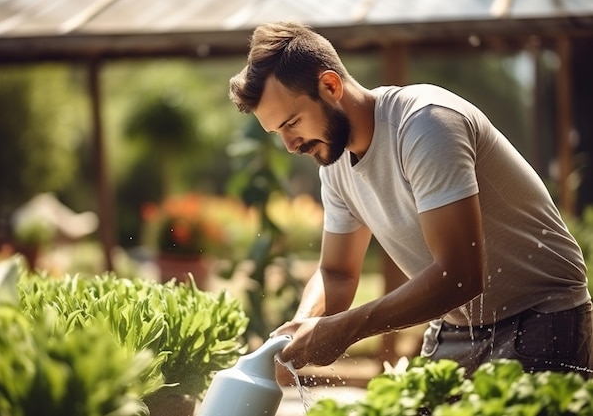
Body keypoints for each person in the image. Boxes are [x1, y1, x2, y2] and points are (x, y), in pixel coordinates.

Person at [228, 21, 592, 377]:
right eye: (278, 132)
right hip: (455, 327)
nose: (290, 145)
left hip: (543, 317)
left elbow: (461, 276)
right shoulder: (334, 164)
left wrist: (346, 328)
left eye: (292, 123)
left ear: (330, 85)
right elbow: (336, 274)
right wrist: (304, 324)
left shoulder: (424, 123)